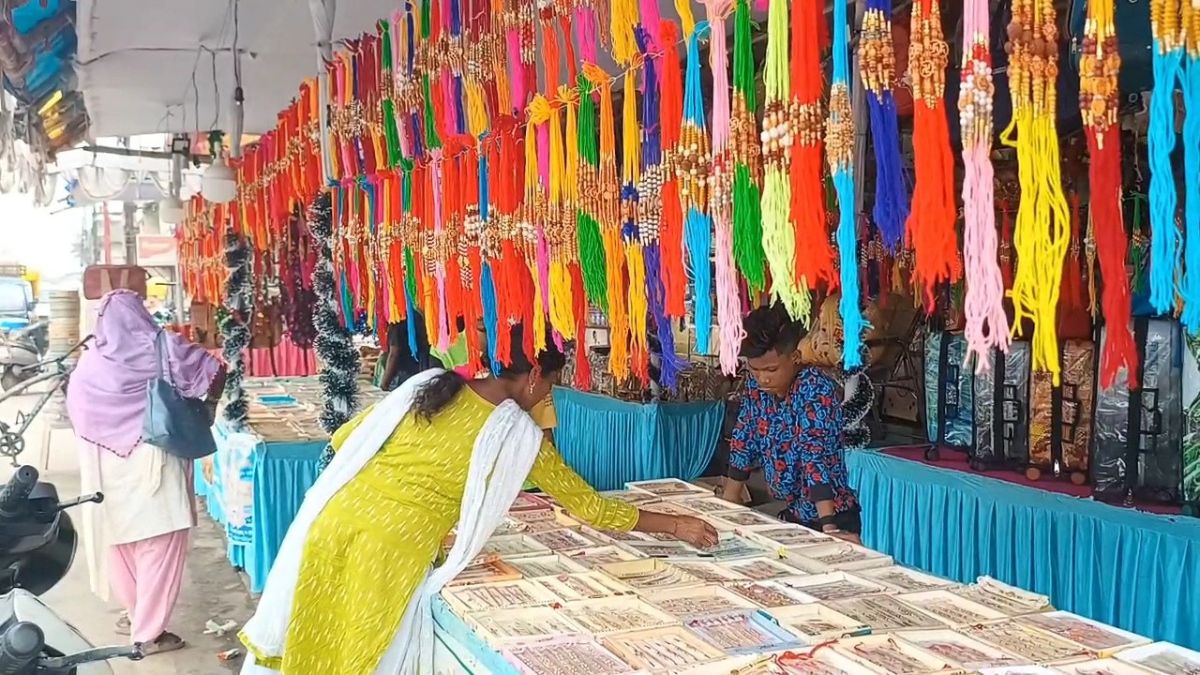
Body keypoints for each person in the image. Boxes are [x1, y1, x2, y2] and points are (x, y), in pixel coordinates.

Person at [239, 324, 717, 674]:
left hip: (337, 521)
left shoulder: (429, 387)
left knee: (317, 638)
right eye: (550, 384)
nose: (546, 394)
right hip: (389, 549)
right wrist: (677, 525)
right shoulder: (516, 433)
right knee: (362, 652)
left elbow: (346, 440)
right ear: (534, 376)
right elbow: (591, 507)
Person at [67, 289, 227, 655]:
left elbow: (78, 414)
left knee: (121, 541)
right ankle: (148, 633)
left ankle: (136, 612)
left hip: (106, 466)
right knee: (162, 542)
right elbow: (216, 371)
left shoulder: (90, 364)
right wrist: (208, 408)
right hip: (155, 456)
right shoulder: (163, 346)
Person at [719, 303, 862, 543]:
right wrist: (729, 503)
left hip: (831, 514)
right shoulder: (757, 388)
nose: (763, 378)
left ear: (795, 357)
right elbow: (744, 439)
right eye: (754, 370)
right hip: (793, 513)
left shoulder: (815, 390)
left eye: (771, 369)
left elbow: (814, 456)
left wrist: (829, 528)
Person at [378, 314, 431, 391]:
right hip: (422, 371)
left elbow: (394, 354)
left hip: (404, 376)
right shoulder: (417, 316)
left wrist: (385, 383)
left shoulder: (397, 323)